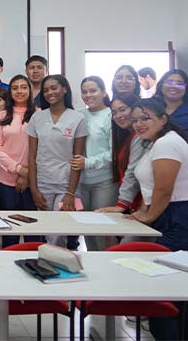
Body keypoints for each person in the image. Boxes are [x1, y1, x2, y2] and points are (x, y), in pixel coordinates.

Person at [126, 98, 188, 340]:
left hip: (176, 217)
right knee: (162, 286)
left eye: (145, 118)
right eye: (135, 120)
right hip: (166, 214)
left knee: (166, 288)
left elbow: (164, 189)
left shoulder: (167, 144)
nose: (139, 124)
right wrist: (145, 211)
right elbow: (152, 187)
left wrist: (148, 216)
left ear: (163, 119)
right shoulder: (156, 143)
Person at [27, 75, 87, 248]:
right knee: (46, 230)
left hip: (65, 184)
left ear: (65, 89)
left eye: (54, 88)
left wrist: (71, 193)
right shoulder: (37, 118)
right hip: (43, 183)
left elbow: (78, 158)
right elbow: (31, 156)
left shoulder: (77, 118)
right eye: (45, 90)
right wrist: (34, 189)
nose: (50, 92)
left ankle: (57, 267)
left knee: (58, 232)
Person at [0, 75, 38, 247]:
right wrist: (18, 169)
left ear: (30, 90)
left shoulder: (38, 114)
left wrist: (26, 175)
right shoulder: (2, 115)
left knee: (33, 228)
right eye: (15, 87)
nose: (19, 91)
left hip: (32, 180)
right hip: (5, 180)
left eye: (23, 87)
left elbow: (40, 148)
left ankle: (35, 264)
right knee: (9, 229)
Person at [71, 76, 115, 250]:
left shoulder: (111, 115)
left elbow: (114, 152)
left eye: (93, 90)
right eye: (84, 92)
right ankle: (93, 260)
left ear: (104, 92)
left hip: (104, 181)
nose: (88, 95)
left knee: (102, 227)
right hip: (82, 181)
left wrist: (88, 162)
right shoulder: (80, 114)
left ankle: (107, 263)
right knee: (87, 227)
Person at [97, 93, 145, 215]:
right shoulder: (127, 136)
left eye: (122, 110)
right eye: (114, 113)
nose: (118, 116)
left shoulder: (140, 137)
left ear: (135, 109)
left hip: (141, 201)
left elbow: (132, 172)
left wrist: (122, 203)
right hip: (133, 200)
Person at [155, 68, 188, 134]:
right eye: (169, 82)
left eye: (180, 84)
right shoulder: (151, 109)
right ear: (161, 85)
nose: (174, 86)